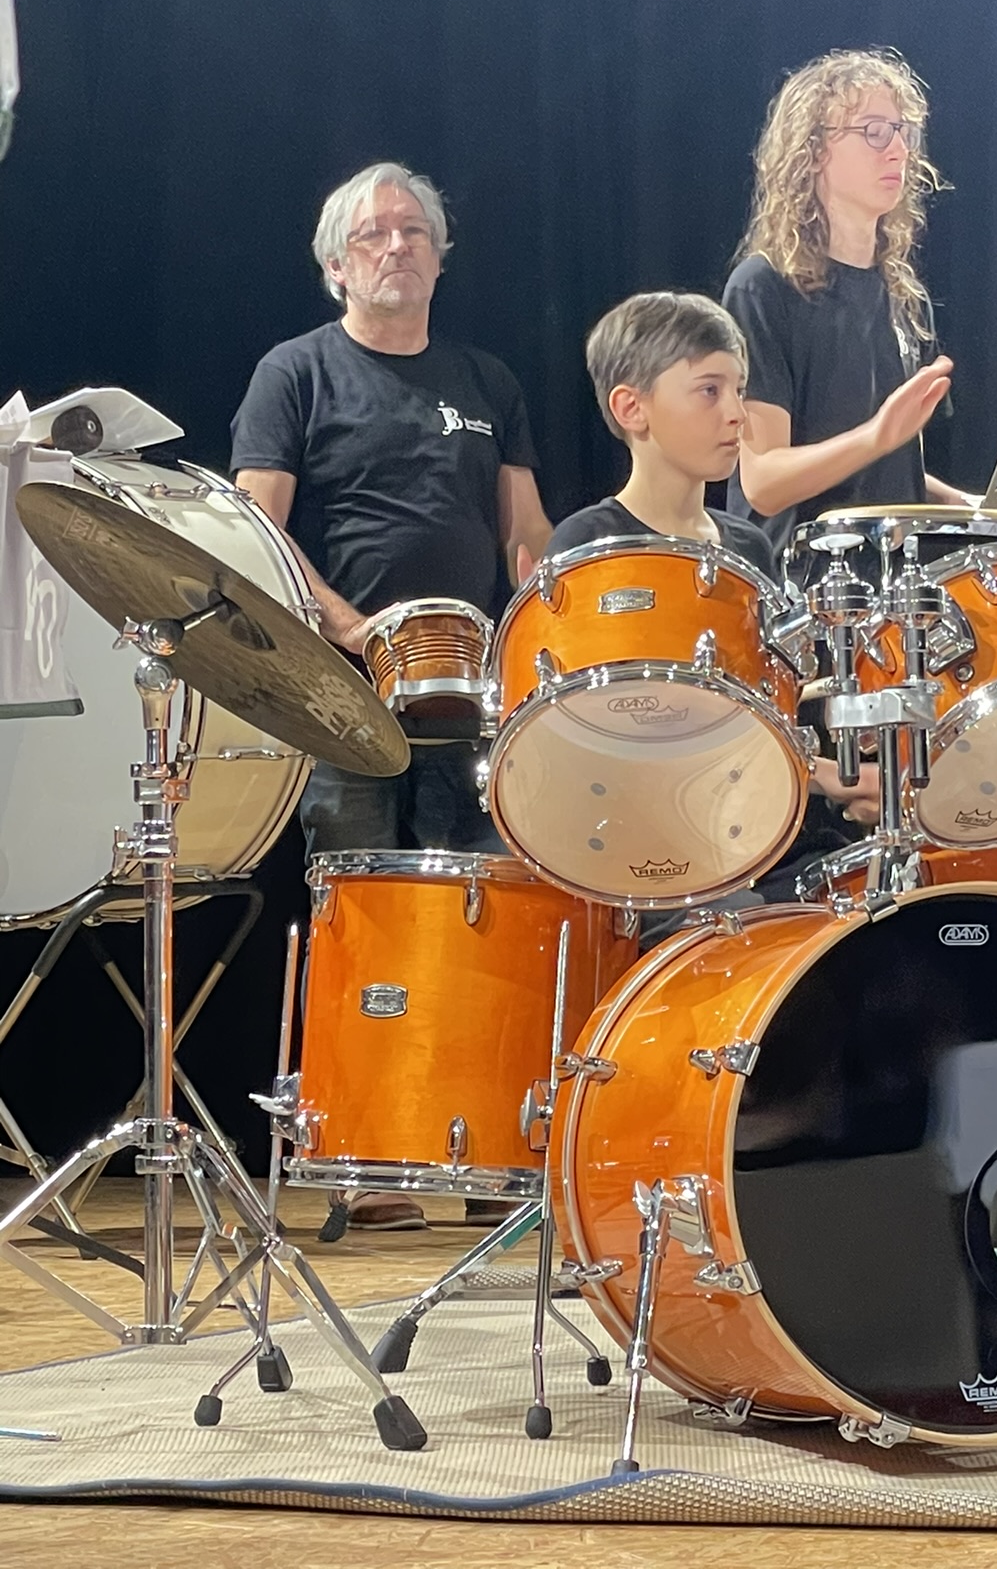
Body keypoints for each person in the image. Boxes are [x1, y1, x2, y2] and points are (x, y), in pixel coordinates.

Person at [231, 160, 552, 1230]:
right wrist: (348, 626)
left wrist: (537, 625)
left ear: (441, 258)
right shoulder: (295, 373)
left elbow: (524, 533)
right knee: (361, 915)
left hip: (471, 693)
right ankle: (366, 1153)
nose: (397, 245)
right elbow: (256, 530)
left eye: (415, 231)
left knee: (484, 909)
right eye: (373, 233)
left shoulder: (486, 381)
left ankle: (481, 1145)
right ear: (335, 265)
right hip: (343, 693)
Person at [546, 290, 879, 888]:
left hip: (765, 837)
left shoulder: (748, 546)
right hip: (652, 854)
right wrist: (818, 776)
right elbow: (617, 734)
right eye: (709, 391)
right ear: (631, 408)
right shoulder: (592, 545)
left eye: (739, 391)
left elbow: (769, 711)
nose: (737, 414)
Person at [722, 48, 969, 565]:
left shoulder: (899, 293)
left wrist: (971, 507)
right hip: (801, 588)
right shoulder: (762, 288)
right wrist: (877, 436)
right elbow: (763, 482)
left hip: (893, 584)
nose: (898, 150)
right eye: (874, 132)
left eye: (903, 132)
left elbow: (886, 469)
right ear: (813, 152)